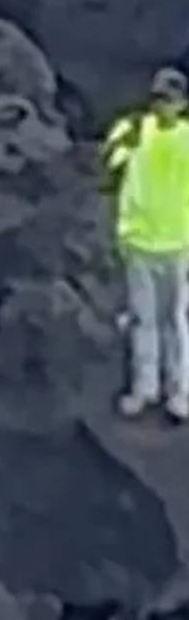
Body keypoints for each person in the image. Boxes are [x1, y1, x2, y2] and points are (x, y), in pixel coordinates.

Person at [101, 66, 189, 421]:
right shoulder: (133, 130)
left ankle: (180, 392)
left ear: (182, 102)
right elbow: (109, 165)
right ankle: (144, 389)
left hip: (179, 245)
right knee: (143, 319)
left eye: (169, 98)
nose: (162, 104)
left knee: (176, 321)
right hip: (138, 242)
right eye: (157, 97)